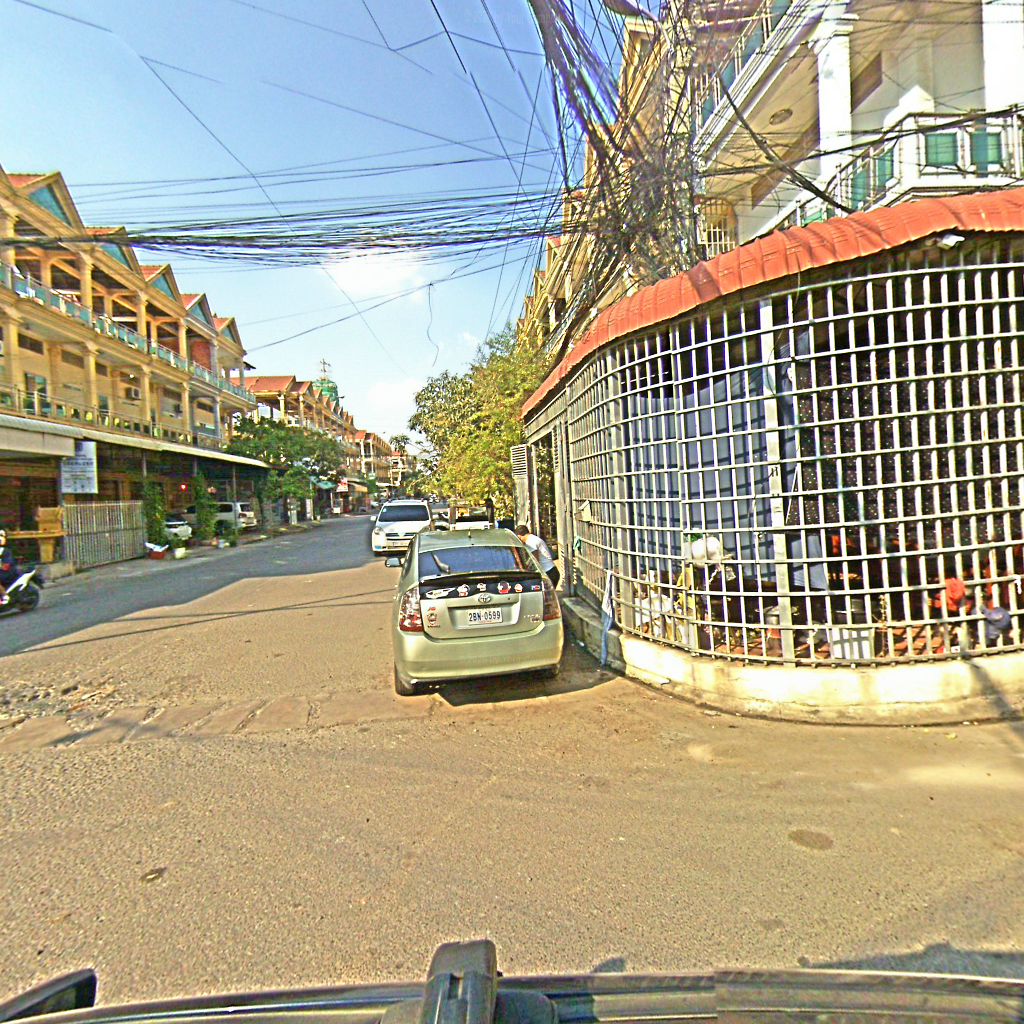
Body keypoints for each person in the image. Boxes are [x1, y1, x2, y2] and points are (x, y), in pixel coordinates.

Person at [515, 524, 559, 588]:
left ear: (519, 536)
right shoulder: (533, 538)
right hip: (551, 571)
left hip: (548, 573)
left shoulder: (530, 542)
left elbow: (535, 561)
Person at [0, 527, 21, 605]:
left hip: (7, 572)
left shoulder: (6, 551)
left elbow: (6, 566)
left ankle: (4, 596)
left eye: (2, 536)